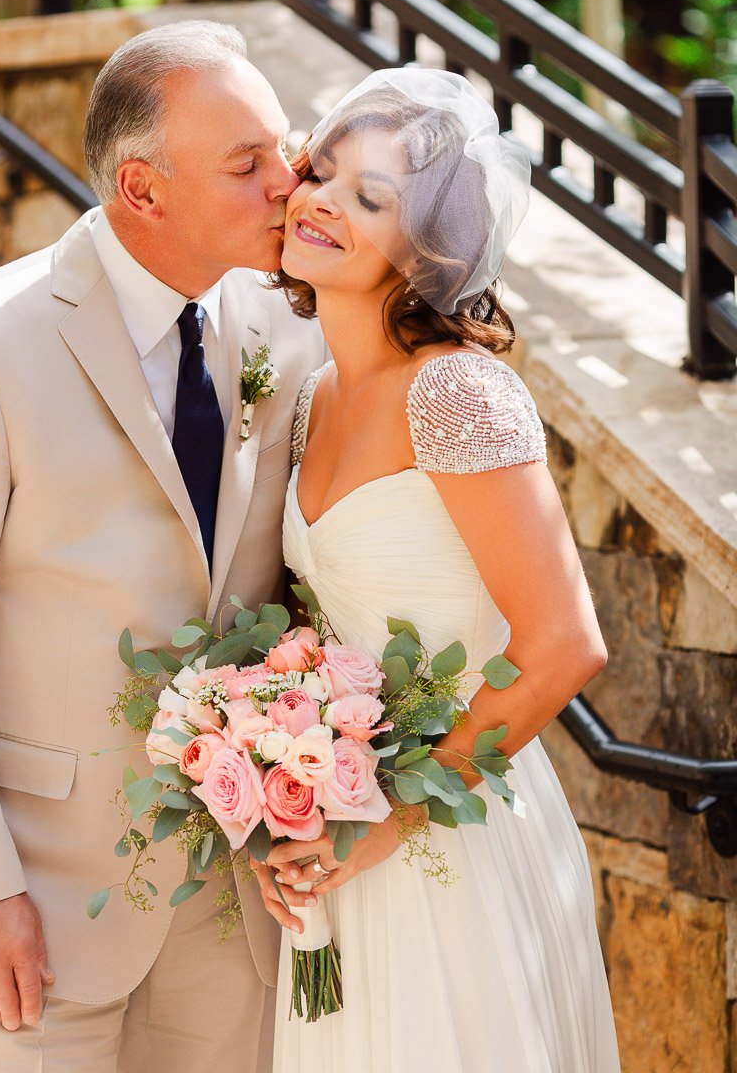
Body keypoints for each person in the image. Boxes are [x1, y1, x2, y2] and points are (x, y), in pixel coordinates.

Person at [0, 20, 325, 1073]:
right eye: (247, 164)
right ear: (142, 190)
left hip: (236, 898)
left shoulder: (291, 327)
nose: (287, 181)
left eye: (281, 148)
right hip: (41, 911)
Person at [254, 68, 621, 1072]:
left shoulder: (456, 390)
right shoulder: (306, 395)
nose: (322, 200)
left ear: (430, 250)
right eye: (320, 172)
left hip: (447, 828)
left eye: (370, 198)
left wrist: (384, 818)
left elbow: (562, 645)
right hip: (337, 838)